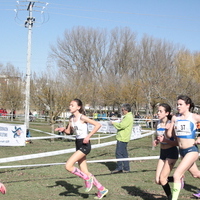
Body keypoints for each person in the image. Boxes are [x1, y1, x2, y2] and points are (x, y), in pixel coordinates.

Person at [55, 99, 108, 199]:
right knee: (85, 171)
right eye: (70, 105)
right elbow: (69, 132)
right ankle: (101, 189)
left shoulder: (82, 117)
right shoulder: (71, 118)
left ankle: (87, 179)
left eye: (72, 105)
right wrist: (63, 130)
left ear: (78, 107)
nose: (70, 107)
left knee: (68, 166)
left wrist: (88, 136)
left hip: (85, 145)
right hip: (78, 143)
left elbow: (98, 125)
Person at [166, 95, 200, 200]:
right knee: (195, 174)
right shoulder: (176, 118)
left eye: (180, 104)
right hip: (182, 151)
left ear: (188, 105)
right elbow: (169, 135)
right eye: (177, 104)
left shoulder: (194, 117)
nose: (178, 106)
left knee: (177, 175)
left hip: (192, 150)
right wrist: (171, 125)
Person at [153, 103, 179, 200]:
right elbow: (158, 136)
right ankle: (178, 179)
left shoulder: (171, 124)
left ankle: (170, 198)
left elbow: (177, 142)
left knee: (163, 179)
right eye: (158, 111)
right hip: (162, 153)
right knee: (157, 180)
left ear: (167, 113)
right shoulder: (158, 123)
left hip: (171, 152)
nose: (158, 113)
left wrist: (165, 140)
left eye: (160, 111)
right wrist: (156, 140)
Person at [110, 103, 133, 174]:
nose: (122, 111)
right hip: (123, 137)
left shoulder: (128, 117)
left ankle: (119, 168)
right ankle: (126, 168)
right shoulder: (126, 117)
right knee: (124, 154)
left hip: (122, 138)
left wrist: (114, 123)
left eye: (122, 110)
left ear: (126, 110)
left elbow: (121, 126)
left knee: (119, 153)